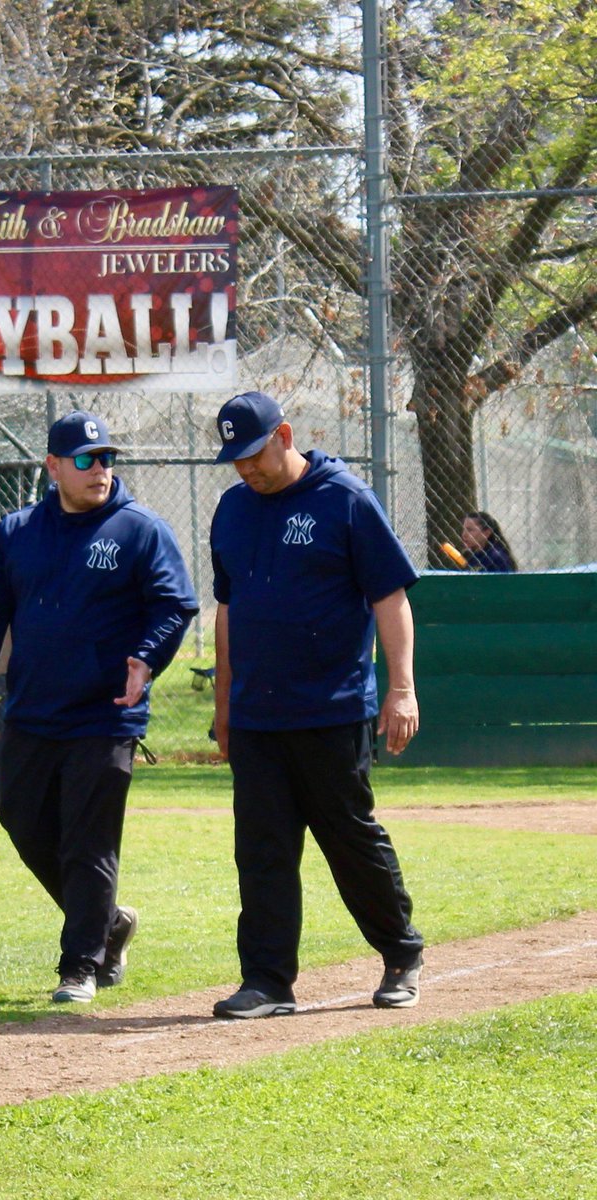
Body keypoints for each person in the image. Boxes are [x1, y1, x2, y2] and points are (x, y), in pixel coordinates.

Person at [0, 411, 198, 1004]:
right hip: (34, 711)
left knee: (88, 843)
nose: (100, 470)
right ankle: (109, 923)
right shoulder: (18, 531)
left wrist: (145, 658)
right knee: (21, 819)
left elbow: (175, 603)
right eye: (86, 460)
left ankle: (80, 966)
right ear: (54, 467)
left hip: (106, 713)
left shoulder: (139, 529)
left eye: (108, 458)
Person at [210, 391, 424, 1019]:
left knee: (348, 838)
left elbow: (390, 597)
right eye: (235, 459)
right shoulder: (231, 510)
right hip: (255, 714)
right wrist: (225, 702)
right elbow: (228, 610)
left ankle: (401, 953)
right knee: (262, 848)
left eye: (253, 453)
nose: (246, 468)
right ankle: (268, 981)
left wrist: (402, 688)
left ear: (284, 434)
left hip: (330, 709)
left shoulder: (346, 500)